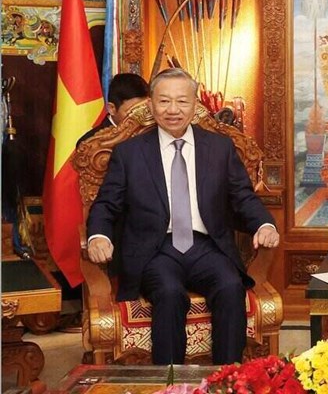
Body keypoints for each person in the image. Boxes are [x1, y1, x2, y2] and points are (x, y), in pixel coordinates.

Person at [86, 68, 280, 365]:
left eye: (181, 101)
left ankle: (227, 378)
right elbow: (106, 204)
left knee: (230, 286)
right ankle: (170, 382)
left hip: (207, 247)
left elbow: (243, 196)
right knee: (169, 291)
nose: (173, 110)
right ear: (151, 104)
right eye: (164, 101)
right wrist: (98, 235)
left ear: (195, 104)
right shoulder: (130, 153)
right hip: (156, 250)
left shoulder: (219, 148)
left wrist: (264, 224)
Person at [77, 73, 150, 146]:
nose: (140, 117)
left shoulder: (152, 131)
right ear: (111, 109)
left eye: (145, 109)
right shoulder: (90, 143)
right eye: (131, 112)